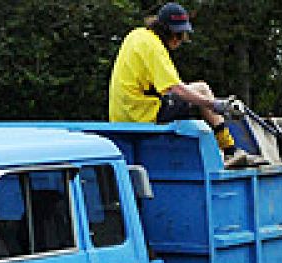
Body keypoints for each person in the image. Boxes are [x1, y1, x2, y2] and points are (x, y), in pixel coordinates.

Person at [108, 4, 261, 169]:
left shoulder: (136, 35)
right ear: (171, 34)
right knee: (202, 89)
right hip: (142, 114)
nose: (180, 40)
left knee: (196, 92)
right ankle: (230, 150)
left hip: (121, 114)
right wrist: (216, 105)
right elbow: (176, 89)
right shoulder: (155, 48)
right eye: (179, 35)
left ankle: (227, 150)